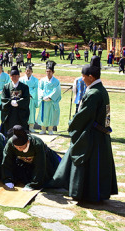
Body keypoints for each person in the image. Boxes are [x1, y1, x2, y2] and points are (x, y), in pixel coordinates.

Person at [50, 57, 118, 202]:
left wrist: (71, 123)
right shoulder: (100, 90)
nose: (82, 79)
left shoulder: (94, 94)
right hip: (100, 135)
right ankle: (94, 192)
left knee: (87, 163)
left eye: (83, 76)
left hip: (93, 136)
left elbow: (83, 115)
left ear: (91, 77)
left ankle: (86, 192)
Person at [2, 125, 61, 190]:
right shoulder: (10, 143)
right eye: (16, 147)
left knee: (47, 180)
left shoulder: (37, 144)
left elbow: (40, 165)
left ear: (27, 142)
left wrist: (33, 185)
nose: (18, 149)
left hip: (45, 161)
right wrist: (8, 180)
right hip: (24, 162)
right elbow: (7, 161)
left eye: (21, 147)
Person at [0, 65, 30, 136]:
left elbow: (26, 99)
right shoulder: (6, 87)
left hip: (20, 113)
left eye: (16, 75)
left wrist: (18, 102)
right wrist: (10, 102)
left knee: (20, 131)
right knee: (9, 131)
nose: (14, 77)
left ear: (19, 76)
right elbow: (3, 98)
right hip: (9, 113)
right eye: (13, 76)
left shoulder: (24, 87)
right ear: (10, 77)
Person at [37, 60, 62, 135]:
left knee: (51, 115)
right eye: (47, 71)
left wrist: (50, 97)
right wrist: (42, 96)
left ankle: (50, 129)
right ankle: (43, 129)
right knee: (43, 115)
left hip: (51, 102)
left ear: (53, 72)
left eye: (50, 71)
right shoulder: (42, 80)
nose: (48, 73)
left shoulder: (56, 81)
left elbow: (57, 91)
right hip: (44, 101)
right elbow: (39, 89)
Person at [19, 63, 39, 132]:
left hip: (31, 98)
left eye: (29, 71)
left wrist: (30, 94)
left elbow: (36, 89)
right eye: (27, 71)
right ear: (25, 71)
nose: (28, 72)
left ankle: (31, 127)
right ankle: (23, 126)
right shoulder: (21, 79)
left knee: (31, 112)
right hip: (24, 99)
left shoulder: (35, 80)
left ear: (32, 72)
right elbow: (20, 88)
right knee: (23, 112)